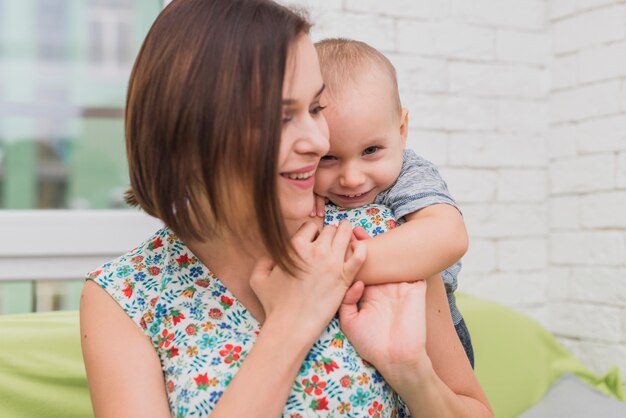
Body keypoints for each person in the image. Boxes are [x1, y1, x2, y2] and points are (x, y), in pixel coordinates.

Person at [79, 0, 493, 417]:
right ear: (191, 133)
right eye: (280, 118)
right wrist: (292, 322)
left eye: (315, 109)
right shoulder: (125, 296)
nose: (318, 141)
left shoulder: (384, 234)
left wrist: (410, 371)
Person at [312, 38, 474, 367]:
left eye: (371, 151)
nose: (352, 178)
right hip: (356, 332)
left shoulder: (409, 174)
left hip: (431, 333)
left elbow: (448, 235)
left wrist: (340, 267)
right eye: (328, 157)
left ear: (401, 131)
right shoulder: (301, 182)